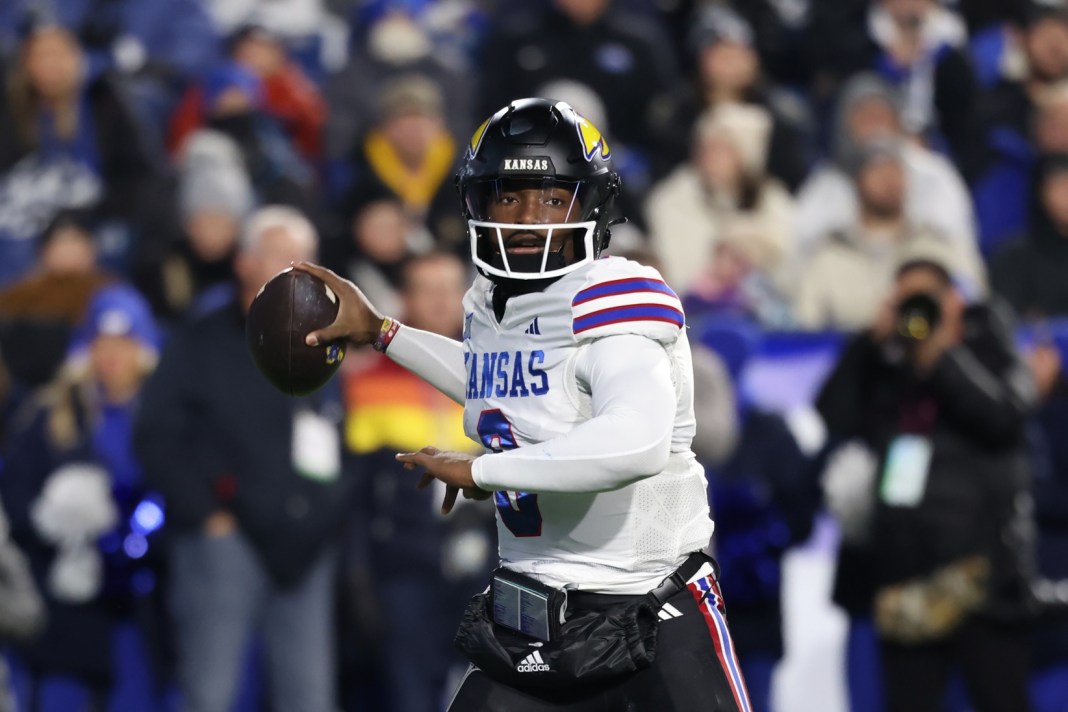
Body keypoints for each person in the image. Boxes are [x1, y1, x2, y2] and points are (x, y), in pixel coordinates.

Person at [296, 97, 752, 711]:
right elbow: (503, 383)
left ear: (590, 205)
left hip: (651, 610)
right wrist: (385, 333)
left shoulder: (612, 299)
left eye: (550, 196)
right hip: (537, 607)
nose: (528, 217)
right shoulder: (491, 303)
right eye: (508, 196)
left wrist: (483, 469)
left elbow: (634, 442)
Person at [134, 206, 352, 712]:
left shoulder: (329, 346)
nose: (294, 269)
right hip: (225, 541)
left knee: (311, 696)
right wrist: (207, 515)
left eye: (305, 258)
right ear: (244, 263)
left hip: (307, 544)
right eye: (278, 255)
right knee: (211, 691)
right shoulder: (199, 340)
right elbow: (157, 436)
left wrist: (325, 517)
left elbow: (341, 442)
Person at [816, 256, 1036, 712]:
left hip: (980, 572)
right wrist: (867, 345)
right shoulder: (886, 363)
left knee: (1001, 697)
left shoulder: (984, 345)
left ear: (954, 300)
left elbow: (1004, 417)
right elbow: (832, 414)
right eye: (905, 300)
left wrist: (942, 357)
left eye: (926, 299)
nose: (916, 312)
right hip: (905, 575)